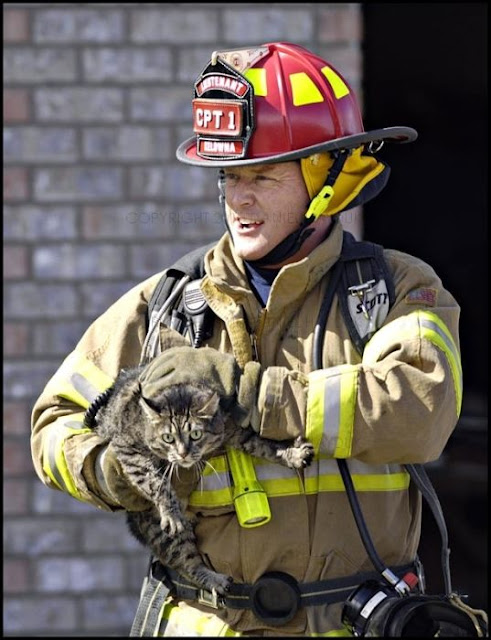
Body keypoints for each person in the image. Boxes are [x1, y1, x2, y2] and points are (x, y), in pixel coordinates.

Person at [31, 42, 464, 636]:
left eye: (264, 176)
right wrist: (118, 471)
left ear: (327, 181)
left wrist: (248, 393)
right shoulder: (167, 306)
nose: (240, 199)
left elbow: (419, 412)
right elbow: (53, 423)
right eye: (230, 177)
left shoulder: (394, 289)